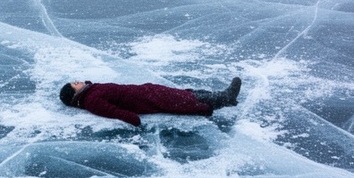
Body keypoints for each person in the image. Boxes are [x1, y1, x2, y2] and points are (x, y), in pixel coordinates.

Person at [58, 77, 242, 127]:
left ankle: (222, 96)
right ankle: (225, 98)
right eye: (76, 83)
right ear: (75, 93)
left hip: (145, 90)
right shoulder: (92, 100)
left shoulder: (90, 91)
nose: (79, 81)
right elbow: (112, 111)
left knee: (184, 94)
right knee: (183, 101)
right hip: (145, 99)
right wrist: (133, 119)